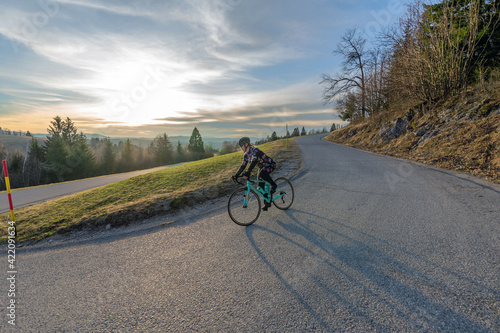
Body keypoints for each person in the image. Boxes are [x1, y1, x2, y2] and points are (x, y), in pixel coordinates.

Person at [232, 137, 277, 211]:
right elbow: (243, 166)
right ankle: (267, 202)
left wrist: (248, 172)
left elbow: (254, 161)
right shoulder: (246, 155)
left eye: (241, 145)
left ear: (246, 144)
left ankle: (274, 185)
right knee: (260, 188)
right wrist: (236, 175)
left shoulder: (255, 150)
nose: (240, 148)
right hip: (262, 167)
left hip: (270, 164)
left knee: (262, 174)